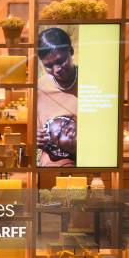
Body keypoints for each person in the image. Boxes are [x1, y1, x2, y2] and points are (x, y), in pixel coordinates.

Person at [36, 27, 78, 167]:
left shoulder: (90, 81)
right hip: (53, 169)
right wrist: (36, 138)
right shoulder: (40, 88)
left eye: (60, 61)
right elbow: (34, 133)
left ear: (70, 52)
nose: (56, 69)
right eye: (48, 65)